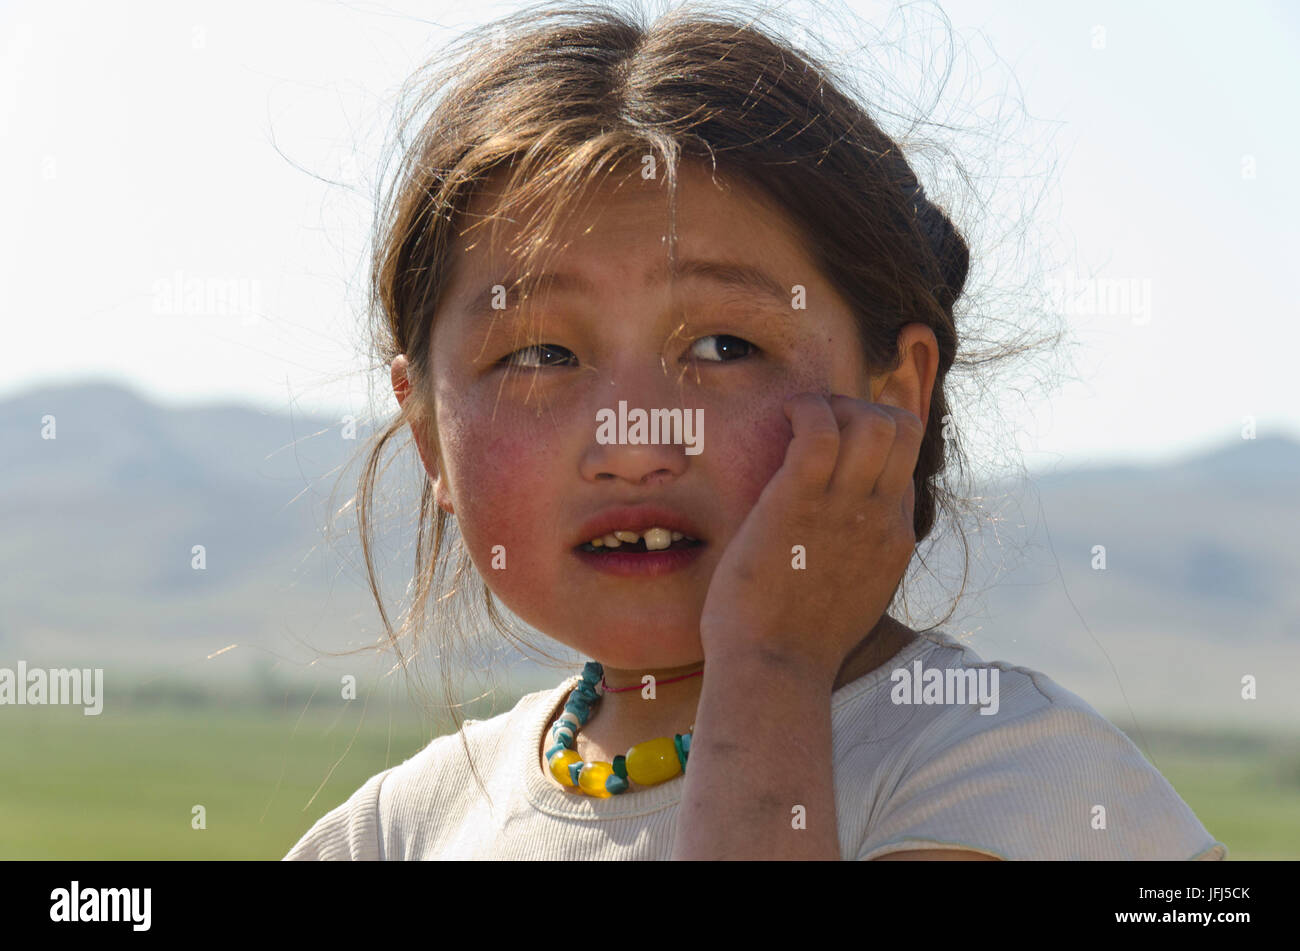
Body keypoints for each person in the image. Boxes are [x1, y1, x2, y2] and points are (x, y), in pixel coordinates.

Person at [284, 2, 1225, 860]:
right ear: (427, 433)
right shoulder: (394, 832)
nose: (633, 438)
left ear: (894, 394)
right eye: (538, 356)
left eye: (724, 345)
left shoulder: (1014, 782)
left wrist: (771, 662)